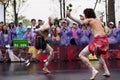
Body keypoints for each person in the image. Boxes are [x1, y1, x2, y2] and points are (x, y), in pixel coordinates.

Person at [67, 8, 111, 80]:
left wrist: (70, 16)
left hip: (98, 40)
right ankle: (107, 71)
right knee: (98, 55)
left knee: (81, 55)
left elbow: (81, 22)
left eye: (84, 14)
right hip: (105, 40)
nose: (84, 15)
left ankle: (94, 71)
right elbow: (100, 25)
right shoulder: (97, 20)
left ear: (87, 14)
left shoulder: (89, 20)